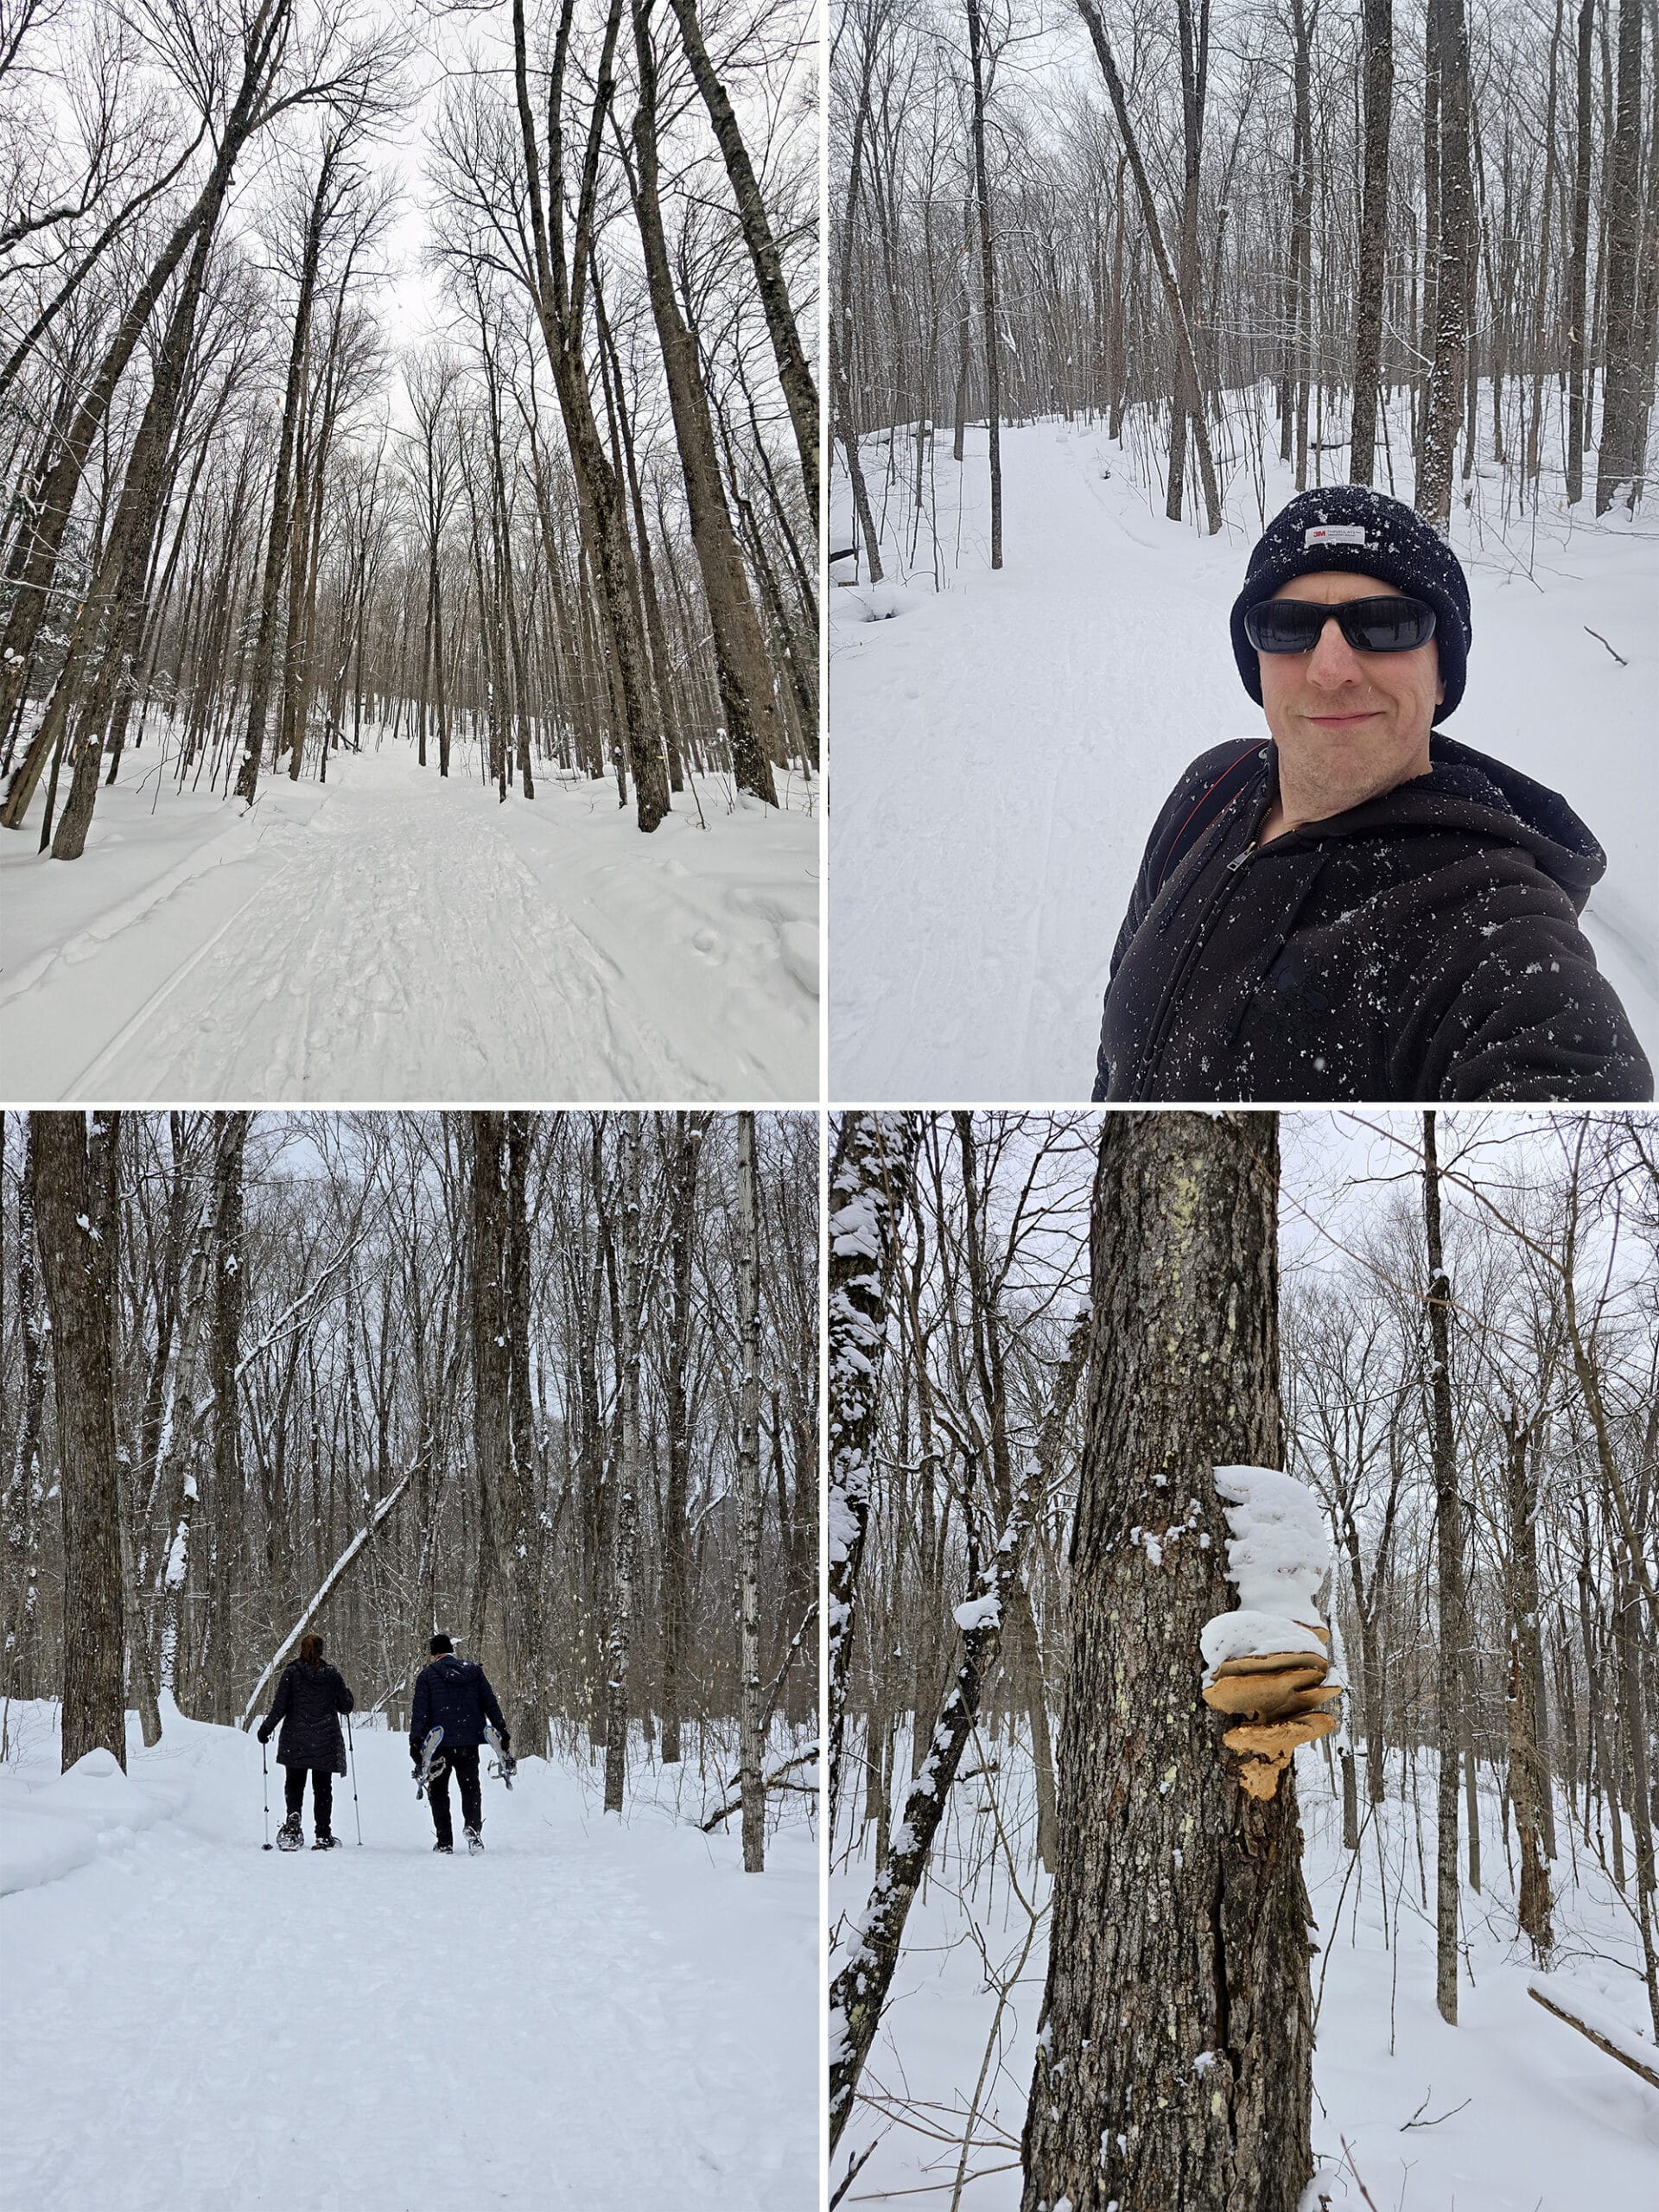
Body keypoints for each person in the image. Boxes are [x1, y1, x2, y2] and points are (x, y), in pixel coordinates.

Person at [1091, 485, 1652, 1103]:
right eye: (1287, 628)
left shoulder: (1491, 924)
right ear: (1257, 663)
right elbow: (1119, 1035)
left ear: (1443, 673)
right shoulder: (1209, 787)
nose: (1330, 670)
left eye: (1385, 625)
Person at [410, 1634, 511, 1854]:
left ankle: (444, 1841)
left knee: (438, 1792)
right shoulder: (473, 1672)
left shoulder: (427, 1676)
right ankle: (473, 1831)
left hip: (439, 1744)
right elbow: (490, 1703)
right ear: (451, 1651)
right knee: (470, 1787)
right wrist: (501, 1732)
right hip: (468, 1741)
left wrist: (415, 1742)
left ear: (434, 1654)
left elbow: (420, 1713)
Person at [258, 1632, 354, 1850]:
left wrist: (266, 1729)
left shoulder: (291, 1673)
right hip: (325, 1740)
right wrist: (348, 1693)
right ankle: (323, 1834)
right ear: (321, 1651)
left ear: (301, 1650)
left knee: (294, 1784)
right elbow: (346, 1706)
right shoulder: (331, 1675)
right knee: (322, 1788)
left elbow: (280, 1706)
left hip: (296, 1739)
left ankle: (293, 1825)